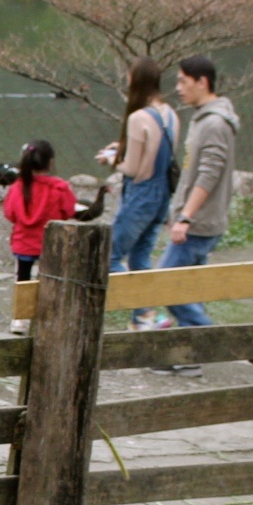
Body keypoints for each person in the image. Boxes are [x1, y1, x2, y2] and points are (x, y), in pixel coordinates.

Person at [141, 55, 241, 375]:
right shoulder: (204, 118)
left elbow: (209, 175)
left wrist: (186, 217)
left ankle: (208, 344)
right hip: (196, 221)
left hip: (198, 225)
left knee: (166, 284)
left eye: (183, 81)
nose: (178, 88)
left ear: (202, 82)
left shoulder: (213, 122)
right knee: (185, 288)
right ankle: (190, 353)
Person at [98, 57, 179, 330]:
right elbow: (157, 152)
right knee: (141, 257)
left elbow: (132, 168)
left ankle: (146, 313)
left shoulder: (137, 117)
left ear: (136, 79)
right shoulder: (170, 113)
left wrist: (111, 159)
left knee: (109, 255)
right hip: (162, 196)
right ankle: (142, 321)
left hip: (141, 195)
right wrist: (121, 146)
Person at [3, 140, 77, 333]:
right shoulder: (60, 188)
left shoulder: (18, 187)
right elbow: (68, 211)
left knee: (23, 278)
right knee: (52, 277)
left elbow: (10, 214)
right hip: (51, 244)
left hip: (24, 244)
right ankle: (51, 316)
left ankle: (20, 319)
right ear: (50, 162)